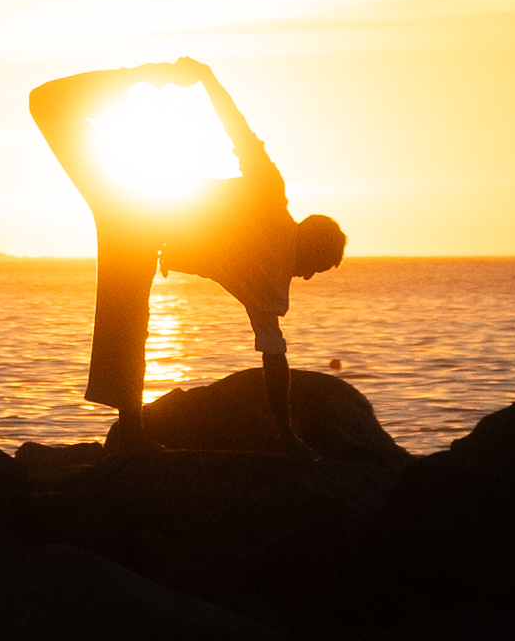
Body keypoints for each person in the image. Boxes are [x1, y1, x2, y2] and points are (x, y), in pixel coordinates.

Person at [29, 55, 346, 448]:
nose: (310, 276)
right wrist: (284, 432)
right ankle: (130, 429)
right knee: (128, 317)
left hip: (139, 196)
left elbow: (239, 130)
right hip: (143, 209)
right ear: (311, 243)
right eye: (317, 267)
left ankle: (131, 430)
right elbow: (274, 357)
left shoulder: (272, 197)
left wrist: (207, 80)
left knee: (44, 101)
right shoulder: (271, 283)